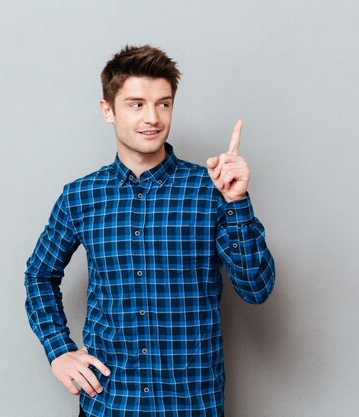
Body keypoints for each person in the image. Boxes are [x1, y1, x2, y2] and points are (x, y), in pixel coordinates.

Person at [24, 44, 275, 417]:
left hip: (191, 404)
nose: (153, 118)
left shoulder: (211, 189)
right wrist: (58, 349)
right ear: (107, 110)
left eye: (163, 103)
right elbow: (39, 275)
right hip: (109, 403)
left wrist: (237, 202)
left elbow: (257, 289)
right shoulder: (81, 196)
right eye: (136, 104)